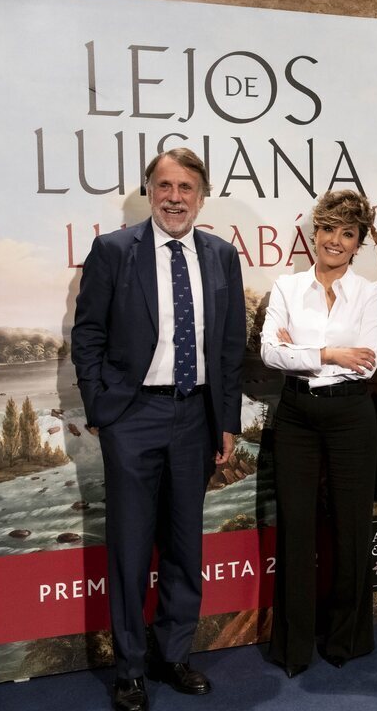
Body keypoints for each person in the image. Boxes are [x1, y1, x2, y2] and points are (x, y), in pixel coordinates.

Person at [71, 148, 245, 711]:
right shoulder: (115, 250)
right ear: (150, 190)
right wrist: (102, 409)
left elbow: (228, 346)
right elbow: (88, 334)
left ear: (201, 195)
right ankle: (130, 669)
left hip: (195, 415)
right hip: (133, 416)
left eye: (187, 187)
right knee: (128, 547)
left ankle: (173, 655)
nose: (175, 196)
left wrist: (226, 423)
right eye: (165, 185)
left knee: (183, 543)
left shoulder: (220, 255)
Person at [260, 189, 377, 677]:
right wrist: (331, 353)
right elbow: (271, 353)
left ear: (358, 244)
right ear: (315, 233)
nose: (336, 240)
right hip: (297, 415)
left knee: (353, 527)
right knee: (296, 527)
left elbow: (367, 361)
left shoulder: (369, 292)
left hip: (352, 415)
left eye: (348, 233)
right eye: (328, 229)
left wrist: (304, 347)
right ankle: (292, 646)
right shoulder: (288, 288)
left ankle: (347, 639)